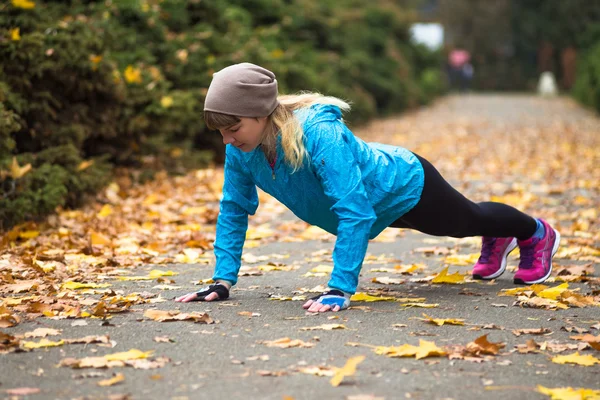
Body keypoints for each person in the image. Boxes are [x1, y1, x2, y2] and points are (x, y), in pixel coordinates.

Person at [174, 63, 560, 313]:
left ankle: (535, 232)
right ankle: (497, 236)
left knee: (463, 221)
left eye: (233, 127)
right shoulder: (242, 150)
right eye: (220, 132)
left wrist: (339, 289)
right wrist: (222, 280)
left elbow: (354, 209)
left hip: (403, 184)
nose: (226, 140)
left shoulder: (318, 132)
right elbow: (233, 208)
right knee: (466, 222)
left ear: (260, 113)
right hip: (372, 205)